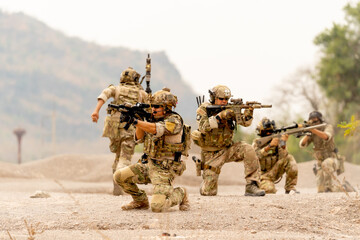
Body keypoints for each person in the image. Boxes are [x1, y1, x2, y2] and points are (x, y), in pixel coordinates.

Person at [113, 88, 190, 212]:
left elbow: (156, 129)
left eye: (157, 106)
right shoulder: (151, 119)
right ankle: (140, 201)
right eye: (152, 106)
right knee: (119, 176)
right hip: (149, 164)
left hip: (165, 169)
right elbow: (139, 138)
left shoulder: (174, 120)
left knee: (157, 207)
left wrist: (136, 121)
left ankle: (181, 193)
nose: (153, 109)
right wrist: (139, 121)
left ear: (167, 107)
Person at [192, 85, 265, 196]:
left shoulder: (230, 109)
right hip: (211, 154)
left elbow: (245, 123)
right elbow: (203, 126)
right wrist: (220, 116)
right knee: (208, 192)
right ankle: (205, 184)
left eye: (226, 99)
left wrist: (249, 112)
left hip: (228, 149)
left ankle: (252, 185)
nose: (224, 102)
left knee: (248, 149)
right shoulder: (204, 108)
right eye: (221, 99)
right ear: (213, 97)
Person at [91, 67, 148, 195]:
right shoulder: (141, 93)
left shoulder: (116, 89)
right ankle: (121, 183)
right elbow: (150, 108)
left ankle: (117, 187)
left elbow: (104, 95)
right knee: (125, 158)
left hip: (113, 129)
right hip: (130, 129)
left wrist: (96, 111)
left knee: (117, 156)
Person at [299, 111, 344, 193]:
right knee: (320, 190)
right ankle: (341, 189)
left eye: (316, 121)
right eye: (312, 121)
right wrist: (308, 133)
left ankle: (330, 189)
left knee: (326, 164)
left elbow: (326, 136)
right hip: (320, 162)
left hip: (332, 159)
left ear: (320, 120)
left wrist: (313, 130)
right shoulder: (312, 132)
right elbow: (302, 145)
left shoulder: (327, 127)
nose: (314, 123)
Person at [253, 118, 299, 194]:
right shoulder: (257, 143)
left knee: (289, 158)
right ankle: (259, 187)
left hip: (274, 172)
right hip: (262, 176)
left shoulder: (277, 140)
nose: (268, 134)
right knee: (269, 190)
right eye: (266, 132)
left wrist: (283, 143)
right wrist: (269, 147)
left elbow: (284, 157)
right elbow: (254, 158)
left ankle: (290, 188)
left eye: (270, 132)